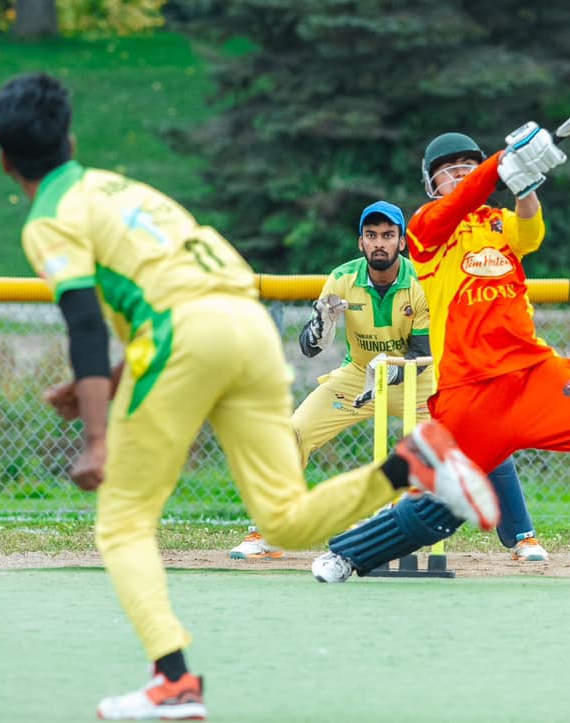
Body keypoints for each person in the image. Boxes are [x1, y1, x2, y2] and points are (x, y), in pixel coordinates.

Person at [0, 72, 497, 722]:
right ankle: (410, 464)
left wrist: (96, 436)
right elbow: (176, 292)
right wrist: (112, 385)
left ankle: (172, 682)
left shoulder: (48, 220)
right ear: (72, 138)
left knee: (122, 520)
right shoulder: (121, 188)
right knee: (284, 518)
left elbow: (88, 324)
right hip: (247, 326)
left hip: (186, 337)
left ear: (6, 160)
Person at [312, 127, 570, 588]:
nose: (459, 178)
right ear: (431, 186)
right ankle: (347, 554)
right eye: (447, 173)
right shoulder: (425, 229)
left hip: (531, 373)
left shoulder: (498, 223)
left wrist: (527, 184)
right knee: (439, 504)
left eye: (466, 169)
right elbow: (459, 201)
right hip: (467, 390)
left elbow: (531, 231)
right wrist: (498, 164)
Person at [228, 199, 548, 563]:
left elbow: (421, 353)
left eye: (388, 235)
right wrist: (322, 325)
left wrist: (385, 373)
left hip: (419, 380)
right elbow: (310, 349)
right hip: (357, 378)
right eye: (371, 235)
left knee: (483, 435)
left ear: (401, 242)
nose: (379, 242)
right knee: (292, 433)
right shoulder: (342, 278)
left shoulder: (422, 280)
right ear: (360, 242)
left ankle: (524, 538)